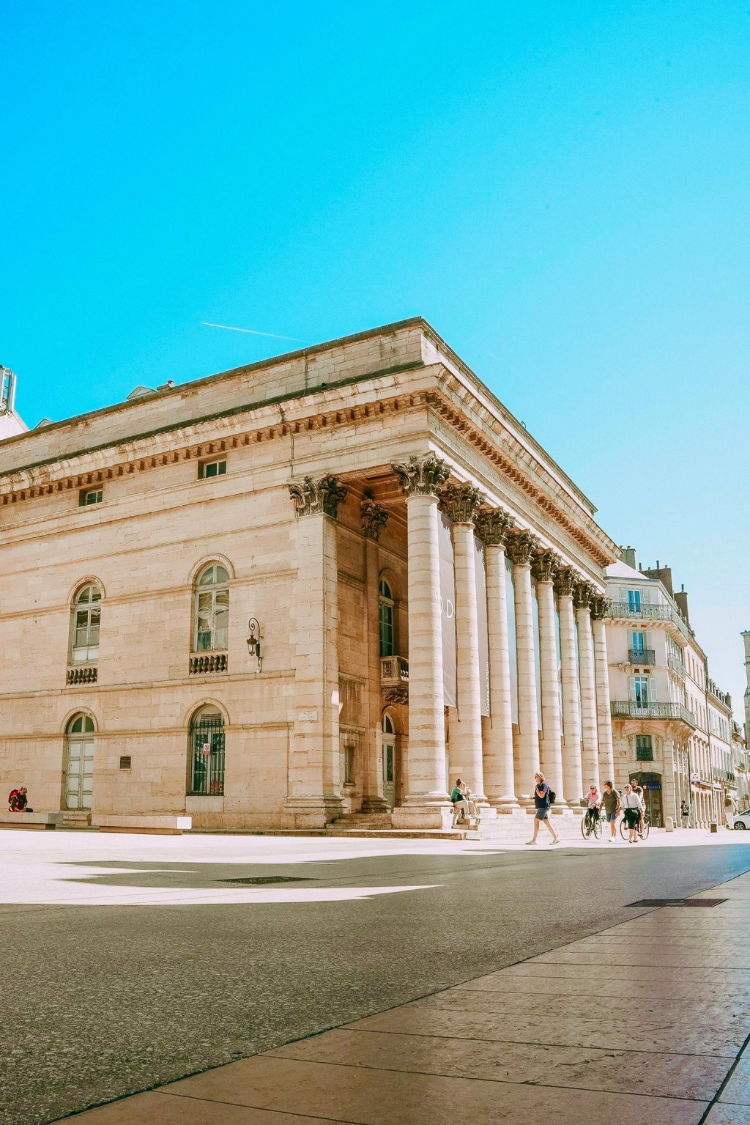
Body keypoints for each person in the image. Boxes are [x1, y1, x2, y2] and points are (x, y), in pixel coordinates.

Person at [526, 772, 559, 845]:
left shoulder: (544, 785)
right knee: (546, 822)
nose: (535, 778)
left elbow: (542, 796)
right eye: (535, 777)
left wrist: (537, 790)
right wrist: (532, 797)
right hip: (541, 805)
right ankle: (555, 838)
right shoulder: (539, 785)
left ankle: (534, 840)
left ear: (540, 777)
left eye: (536, 776)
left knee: (536, 820)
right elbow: (540, 796)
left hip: (543, 806)